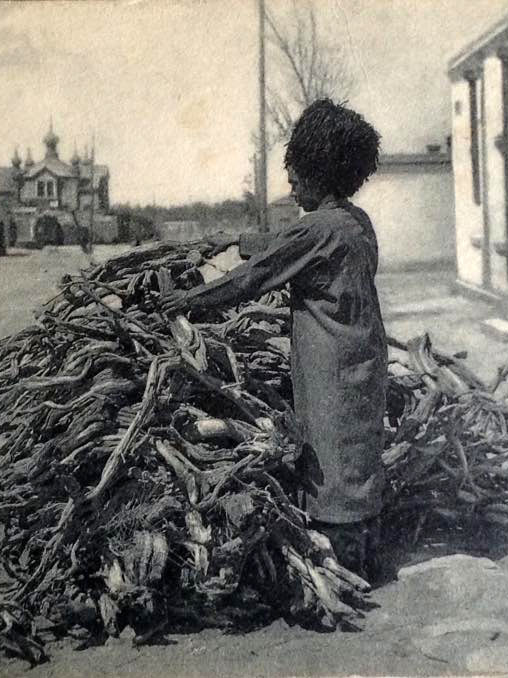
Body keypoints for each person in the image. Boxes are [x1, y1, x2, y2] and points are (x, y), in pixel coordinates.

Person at [160, 99, 387, 577]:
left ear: (321, 172)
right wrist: (236, 240)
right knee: (357, 458)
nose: (291, 183)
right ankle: (366, 559)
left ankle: (338, 567)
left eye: (298, 174)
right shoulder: (353, 221)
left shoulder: (318, 228)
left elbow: (255, 277)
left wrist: (187, 302)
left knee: (329, 458)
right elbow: (288, 249)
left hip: (331, 367)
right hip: (362, 356)